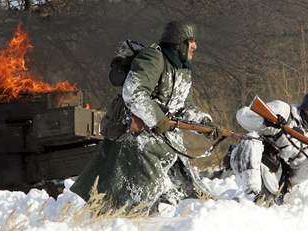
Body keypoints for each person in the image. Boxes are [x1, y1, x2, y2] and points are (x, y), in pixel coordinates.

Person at [71, 21, 217, 213]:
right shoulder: (154, 57)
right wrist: (158, 119)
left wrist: (203, 123)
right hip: (137, 137)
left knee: (190, 194)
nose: (195, 46)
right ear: (178, 42)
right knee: (141, 199)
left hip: (165, 140)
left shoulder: (183, 70)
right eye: (191, 41)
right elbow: (134, 92)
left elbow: (185, 106)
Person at [230, 92, 308, 206]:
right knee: (252, 138)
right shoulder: (283, 109)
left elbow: (298, 176)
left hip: (272, 174)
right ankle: (251, 193)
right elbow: (242, 115)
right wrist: (265, 121)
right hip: (245, 159)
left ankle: (266, 199)